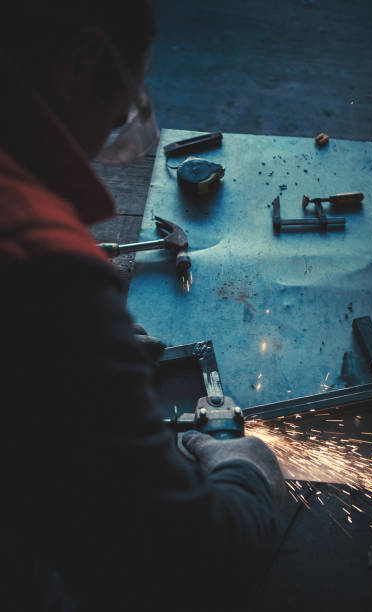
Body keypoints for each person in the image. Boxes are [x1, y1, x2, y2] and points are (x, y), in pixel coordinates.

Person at [0, 2, 285, 610]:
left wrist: (78, 360)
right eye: (127, 102)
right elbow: (183, 564)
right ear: (80, 63)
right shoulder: (43, 268)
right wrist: (248, 470)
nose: (119, 124)